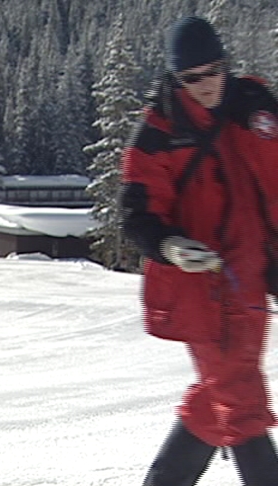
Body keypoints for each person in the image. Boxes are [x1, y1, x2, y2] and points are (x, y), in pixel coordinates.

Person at [120, 16, 278, 486]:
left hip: (251, 277)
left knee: (218, 399)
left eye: (213, 71)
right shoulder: (157, 133)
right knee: (240, 401)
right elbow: (136, 214)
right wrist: (169, 245)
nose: (206, 85)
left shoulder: (254, 104)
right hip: (200, 291)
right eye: (191, 78)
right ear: (174, 78)